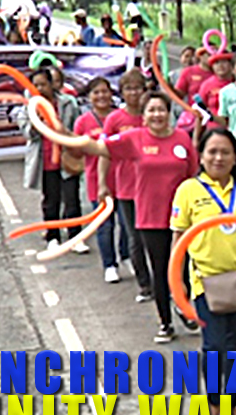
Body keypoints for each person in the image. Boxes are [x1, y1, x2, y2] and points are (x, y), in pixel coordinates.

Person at [76, 91, 199, 343]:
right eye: (151, 110)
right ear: (143, 116)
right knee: (160, 270)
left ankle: (182, 305)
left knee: (184, 269)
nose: (157, 115)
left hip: (181, 218)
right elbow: (101, 148)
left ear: (169, 113)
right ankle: (165, 322)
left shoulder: (182, 139)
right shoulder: (134, 138)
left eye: (161, 110)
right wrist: (67, 137)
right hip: (150, 216)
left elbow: (193, 176)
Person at [170, 128, 236, 415]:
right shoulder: (188, 190)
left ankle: (231, 407)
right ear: (202, 155)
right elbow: (178, 238)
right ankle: (212, 404)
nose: (218, 158)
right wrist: (177, 281)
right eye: (212, 152)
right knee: (214, 346)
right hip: (204, 283)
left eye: (225, 152)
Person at [15, 69, 84, 252]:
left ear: (52, 84)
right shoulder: (27, 108)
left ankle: (75, 237)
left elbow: (77, 126)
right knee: (51, 200)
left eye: (43, 84)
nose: (39, 88)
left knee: (72, 198)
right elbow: (27, 134)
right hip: (45, 160)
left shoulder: (67, 103)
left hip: (66, 157)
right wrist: (36, 121)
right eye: (35, 85)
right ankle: (53, 236)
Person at [72, 76, 130, 283]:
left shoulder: (120, 116)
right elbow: (76, 153)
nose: (101, 96)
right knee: (105, 226)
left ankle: (126, 256)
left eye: (105, 91)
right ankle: (109, 265)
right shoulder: (83, 122)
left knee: (127, 224)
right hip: (98, 180)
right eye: (96, 92)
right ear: (89, 97)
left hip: (125, 180)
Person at [104, 69, 152, 301]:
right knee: (135, 238)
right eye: (129, 89)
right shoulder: (115, 119)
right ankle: (144, 285)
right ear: (121, 92)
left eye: (137, 88)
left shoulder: (152, 115)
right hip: (127, 188)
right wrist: (104, 184)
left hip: (154, 187)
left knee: (157, 237)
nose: (133, 93)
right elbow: (104, 152)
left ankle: (166, 282)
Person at [196, 50, 234, 130]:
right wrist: (196, 138)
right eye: (216, 63)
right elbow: (200, 112)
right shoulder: (206, 85)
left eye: (224, 61)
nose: (220, 66)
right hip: (213, 131)